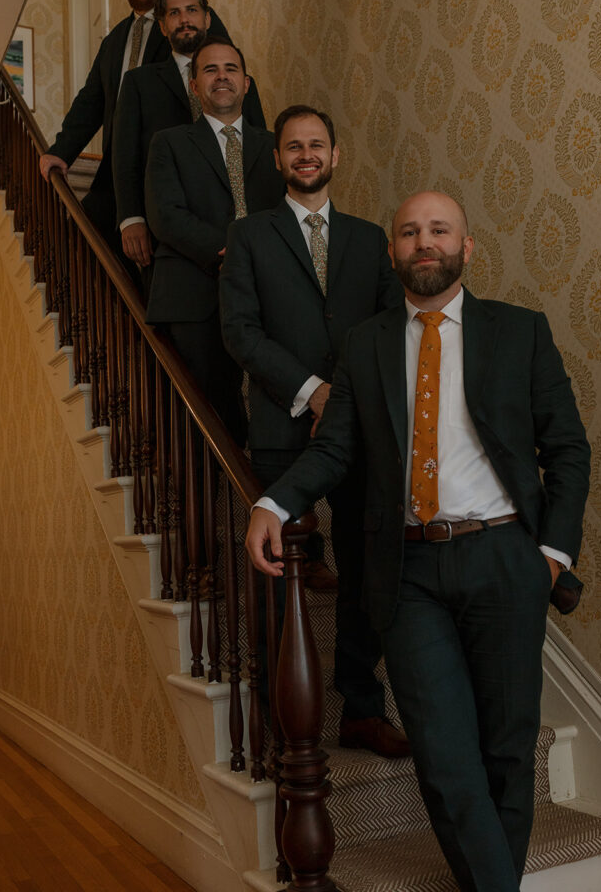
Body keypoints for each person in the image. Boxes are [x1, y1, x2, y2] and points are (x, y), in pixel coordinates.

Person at [245, 190, 591, 890]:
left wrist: (550, 556)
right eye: (408, 232)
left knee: (506, 750)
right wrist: (274, 502)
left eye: (438, 230)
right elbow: (335, 446)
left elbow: (568, 449)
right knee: (442, 754)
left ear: (467, 249)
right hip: (406, 571)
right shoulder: (366, 343)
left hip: (503, 560)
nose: (422, 241)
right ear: (393, 251)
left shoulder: (519, 331)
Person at [220, 104, 408, 757]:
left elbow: (391, 329)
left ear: (335, 156)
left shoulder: (366, 238)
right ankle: (280, 713)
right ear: (277, 159)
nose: (306, 154)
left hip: (361, 436)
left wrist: (348, 398)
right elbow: (240, 330)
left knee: (364, 574)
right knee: (278, 573)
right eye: (293, 146)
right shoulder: (248, 235)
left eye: (317, 145)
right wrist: (313, 391)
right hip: (281, 427)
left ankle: (360, 708)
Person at [144, 35, 283, 444]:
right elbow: (166, 217)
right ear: (194, 85)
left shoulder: (275, 146)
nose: (222, 77)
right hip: (193, 293)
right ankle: (211, 501)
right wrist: (235, 252)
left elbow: (287, 213)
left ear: (247, 83)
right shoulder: (168, 143)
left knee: (273, 399)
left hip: (267, 293)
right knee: (203, 410)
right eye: (210, 69)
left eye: (231, 69)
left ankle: (263, 496)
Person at [112, 0, 264, 275]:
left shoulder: (241, 84)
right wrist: (131, 218)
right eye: (174, 13)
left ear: (207, 18)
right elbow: (125, 155)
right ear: (162, 25)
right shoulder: (138, 83)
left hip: (241, 234)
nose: (184, 20)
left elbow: (260, 154)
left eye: (192, 10)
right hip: (172, 235)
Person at [39, 0, 171, 244]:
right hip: (116, 169)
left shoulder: (182, 25)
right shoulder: (113, 42)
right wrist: (61, 151)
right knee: (80, 239)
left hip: (162, 167)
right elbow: (90, 102)